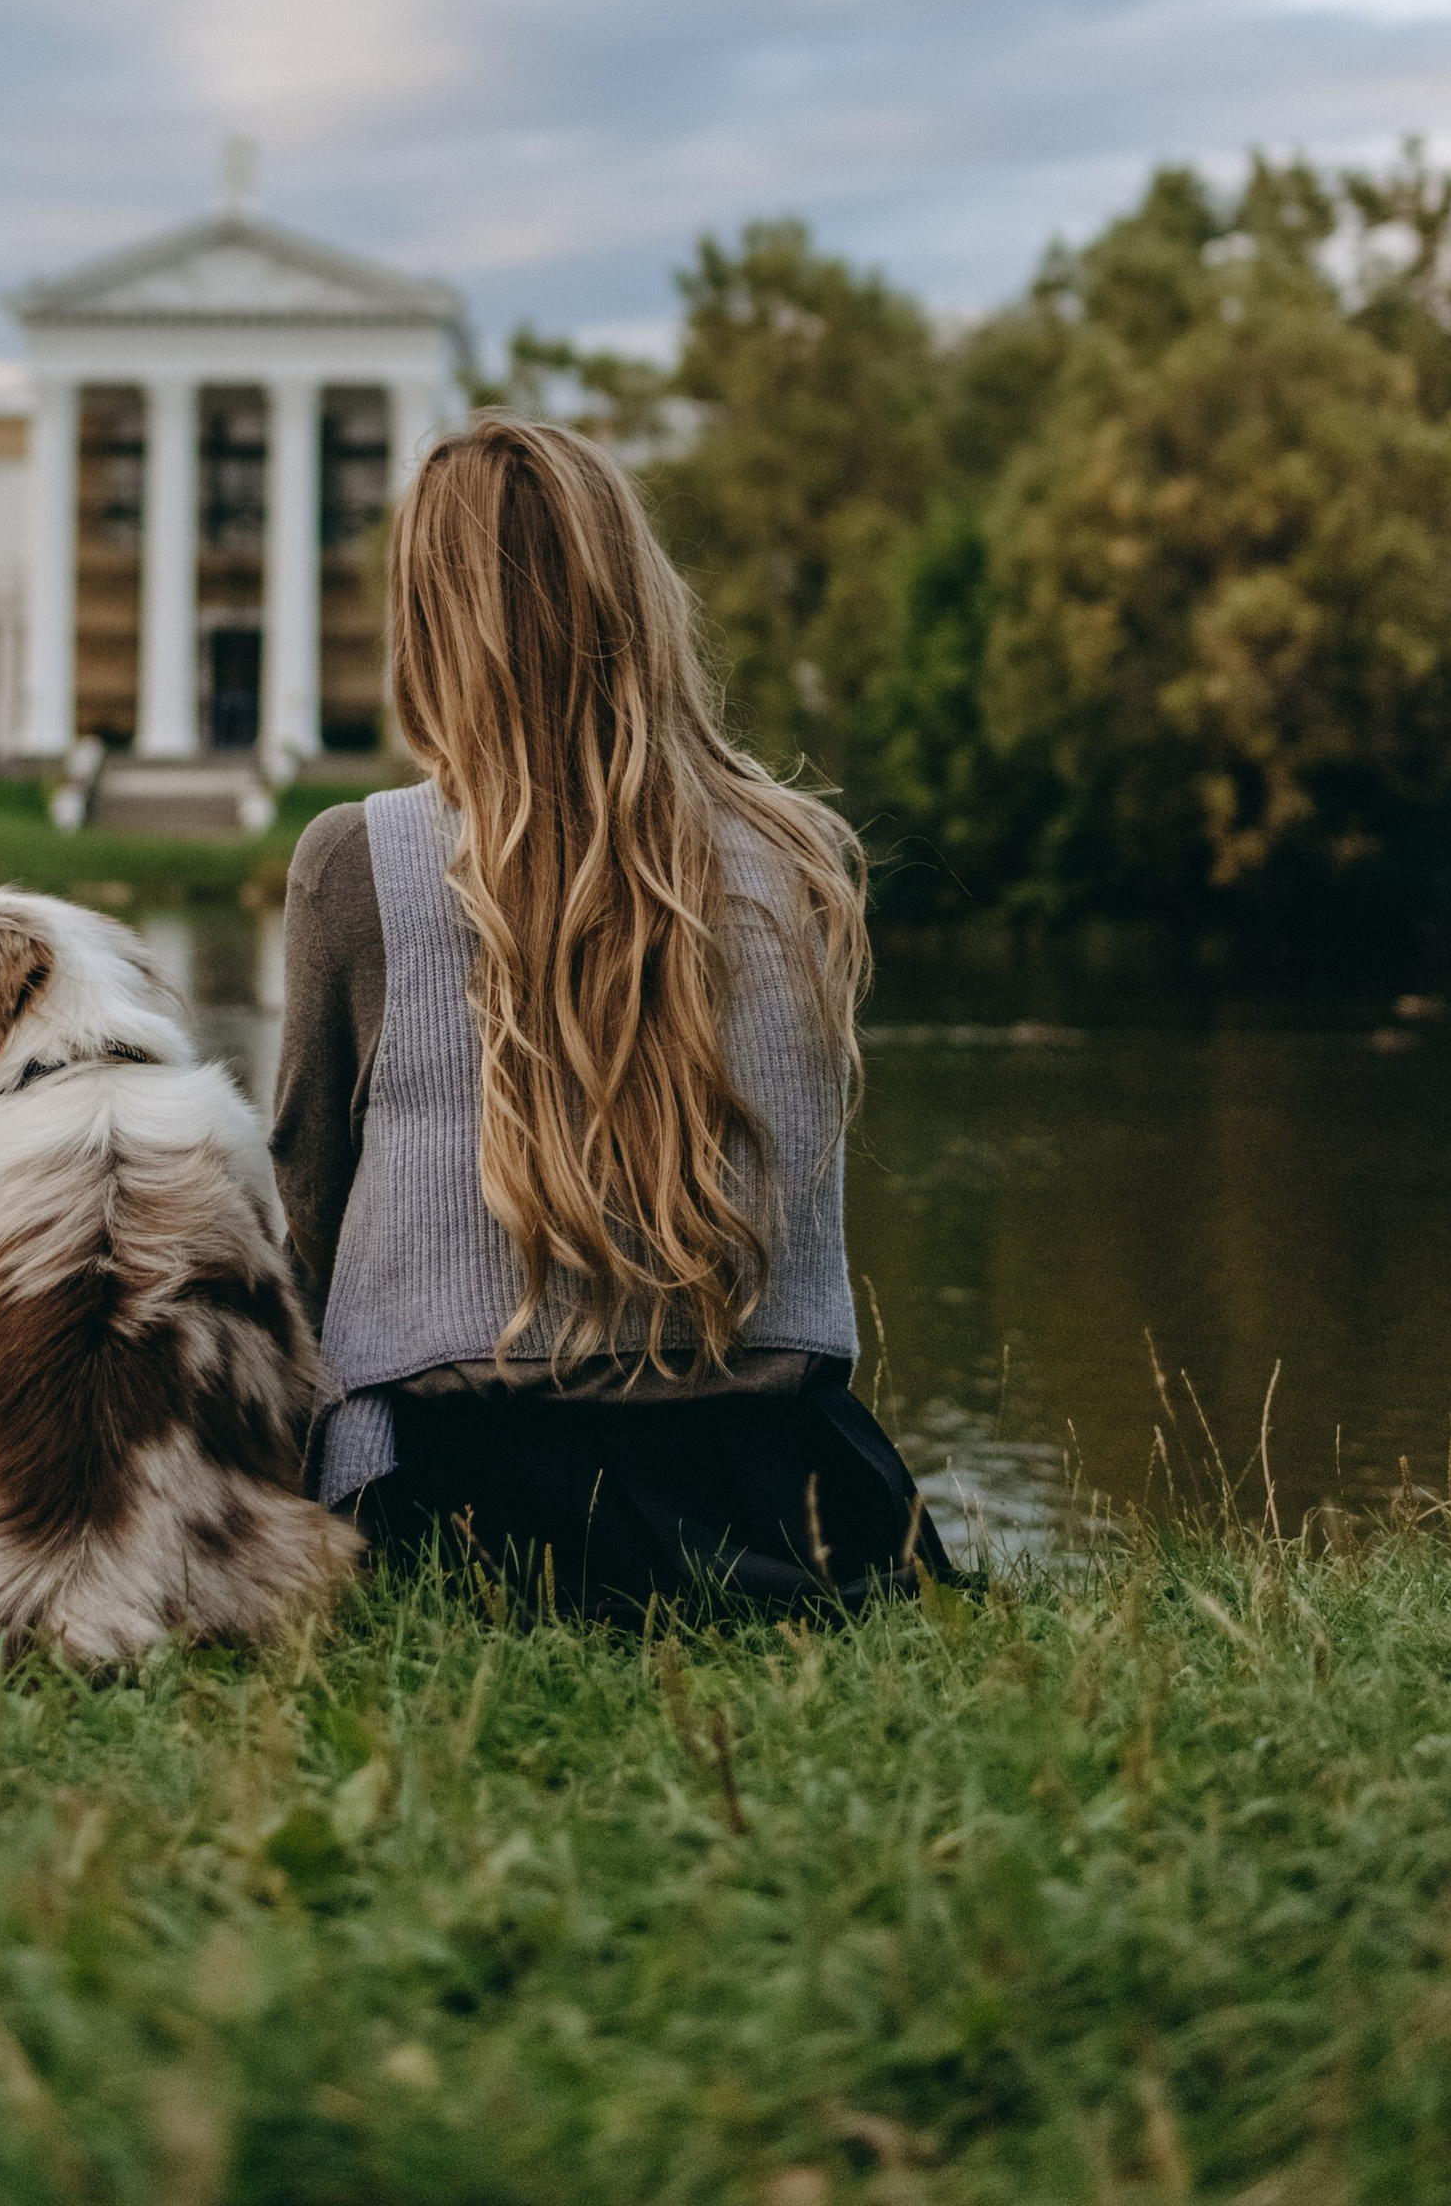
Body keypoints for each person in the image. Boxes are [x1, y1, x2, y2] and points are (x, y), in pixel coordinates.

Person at [272, 413, 953, 1620]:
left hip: (464, 1484)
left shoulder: (358, 862)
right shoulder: (801, 856)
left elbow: (306, 1218)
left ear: (428, 624)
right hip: (788, 1482)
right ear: (638, 596)